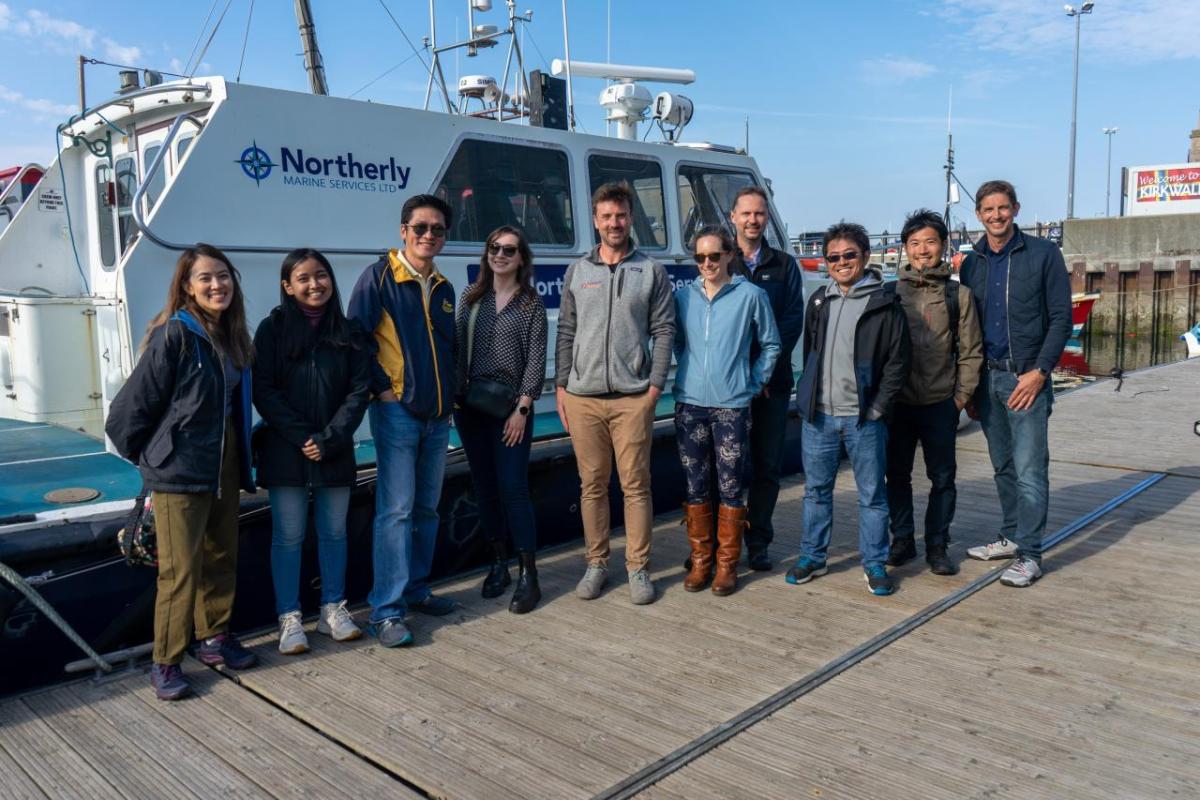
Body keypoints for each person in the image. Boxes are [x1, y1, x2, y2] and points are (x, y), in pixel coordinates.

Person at [106, 244, 257, 700]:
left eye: (224, 275)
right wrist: (155, 460)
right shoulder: (174, 334)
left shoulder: (232, 337)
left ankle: (214, 639)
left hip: (224, 466)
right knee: (179, 571)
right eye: (206, 278)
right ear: (187, 286)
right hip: (180, 471)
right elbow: (128, 411)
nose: (218, 285)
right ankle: (166, 661)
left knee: (221, 557)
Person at [554, 181, 676, 605]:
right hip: (583, 396)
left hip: (631, 397)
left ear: (630, 218)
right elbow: (567, 330)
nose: (614, 223)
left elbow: (664, 330)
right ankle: (597, 563)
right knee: (591, 486)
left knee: (636, 485)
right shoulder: (578, 270)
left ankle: (638, 568)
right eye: (606, 217)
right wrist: (561, 385)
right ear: (595, 221)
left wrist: (655, 386)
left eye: (621, 215)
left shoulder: (651, 271)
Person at [348, 194, 457, 647]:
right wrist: (383, 390)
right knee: (395, 512)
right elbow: (355, 339)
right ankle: (385, 610)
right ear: (403, 231)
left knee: (427, 509)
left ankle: (415, 588)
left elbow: (448, 350)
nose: (428, 235)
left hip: (437, 415)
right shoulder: (378, 278)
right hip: (397, 413)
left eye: (436, 229)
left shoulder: (444, 286)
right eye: (420, 228)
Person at [252, 249, 371, 654]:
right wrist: (303, 436)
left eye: (321, 275)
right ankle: (289, 618)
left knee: (334, 532)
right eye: (303, 278)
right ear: (287, 286)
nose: (314, 284)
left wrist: (331, 437)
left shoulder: (350, 331)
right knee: (288, 535)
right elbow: (263, 388)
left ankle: (332, 609)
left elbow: (359, 389)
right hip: (287, 450)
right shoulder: (272, 330)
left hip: (334, 449)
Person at [788, 222, 911, 596]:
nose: (841, 263)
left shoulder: (885, 303)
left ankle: (874, 563)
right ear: (826, 262)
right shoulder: (819, 301)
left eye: (849, 255)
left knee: (872, 494)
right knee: (816, 492)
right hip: (819, 416)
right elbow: (811, 348)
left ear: (865, 255)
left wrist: (876, 408)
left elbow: (897, 363)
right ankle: (814, 556)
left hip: (863, 418)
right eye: (833, 257)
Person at [959, 180, 1072, 587]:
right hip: (987, 378)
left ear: (1016, 209)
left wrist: (1040, 371)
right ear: (978, 214)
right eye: (988, 210)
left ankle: (1030, 554)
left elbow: (1062, 317)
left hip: (1027, 378)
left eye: (1003, 208)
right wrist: (970, 385)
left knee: (1029, 468)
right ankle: (1010, 535)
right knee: (1003, 466)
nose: (996, 216)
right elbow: (967, 328)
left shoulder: (1043, 254)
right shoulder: (972, 263)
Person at [674, 226, 780, 596]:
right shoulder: (684, 297)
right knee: (696, 485)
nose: (707, 263)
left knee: (732, 486)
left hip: (731, 406)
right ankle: (701, 559)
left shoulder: (751, 295)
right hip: (690, 404)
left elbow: (770, 345)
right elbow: (676, 342)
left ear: (729, 255)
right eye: (700, 258)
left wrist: (750, 384)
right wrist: (687, 368)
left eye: (714, 256)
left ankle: (726, 565)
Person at [454, 226, 548, 614]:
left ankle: (530, 574)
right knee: (485, 487)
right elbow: (458, 351)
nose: (500, 255)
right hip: (472, 409)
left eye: (509, 250)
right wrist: (454, 400)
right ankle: (499, 564)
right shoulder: (471, 298)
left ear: (521, 258)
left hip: (510, 410)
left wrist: (522, 410)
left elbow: (535, 361)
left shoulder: (530, 305)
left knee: (513, 488)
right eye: (494, 248)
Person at [885, 210, 983, 576]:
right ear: (904, 248)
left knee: (942, 478)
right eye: (914, 243)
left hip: (941, 401)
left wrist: (960, 397)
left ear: (943, 245)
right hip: (899, 404)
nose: (922, 250)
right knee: (896, 476)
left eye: (930, 242)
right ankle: (903, 539)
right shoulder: (890, 293)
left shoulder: (959, 295)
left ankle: (938, 544)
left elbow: (972, 351)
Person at [727, 186, 805, 571]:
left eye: (759, 214)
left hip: (772, 383)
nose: (753, 220)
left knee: (766, 466)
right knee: (725, 466)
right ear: (733, 218)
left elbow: (792, 320)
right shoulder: (721, 261)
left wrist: (763, 367)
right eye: (746, 214)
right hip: (730, 385)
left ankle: (758, 540)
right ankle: (723, 542)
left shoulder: (785, 265)